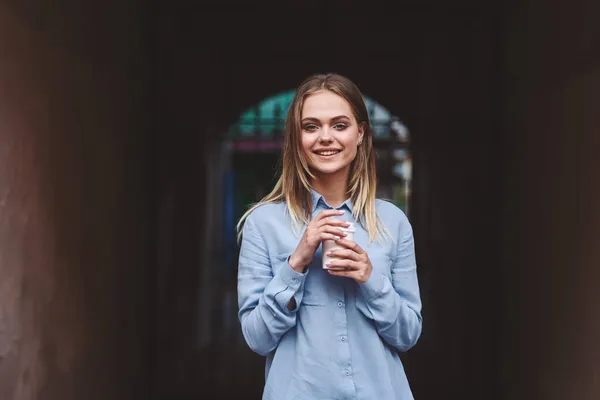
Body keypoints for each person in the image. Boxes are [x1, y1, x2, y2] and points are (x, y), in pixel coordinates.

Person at [236, 73, 423, 400]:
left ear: (361, 133)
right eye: (311, 127)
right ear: (296, 138)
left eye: (339, 125)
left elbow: (407, 335)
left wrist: (370, 278)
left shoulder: (392, 222)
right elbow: (257, 339)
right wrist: (296, 263)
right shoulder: (263, 224)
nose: (326, 137)